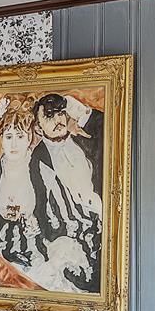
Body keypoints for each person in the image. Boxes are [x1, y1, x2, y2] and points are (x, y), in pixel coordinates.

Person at [0, 98, 100, 292]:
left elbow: (62, 215)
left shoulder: (42, 171)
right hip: (1, 248)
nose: (14, 144)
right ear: (1, 138)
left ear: (29, 138)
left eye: (20, 136)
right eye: (8, 137)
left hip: (37, 252)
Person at [34, 92, 103, 220]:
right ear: (38, 127)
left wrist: (82, 112)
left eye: (60, 113)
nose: (58, 120)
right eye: (49, 117)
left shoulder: (84, 139)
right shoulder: (37, 159)